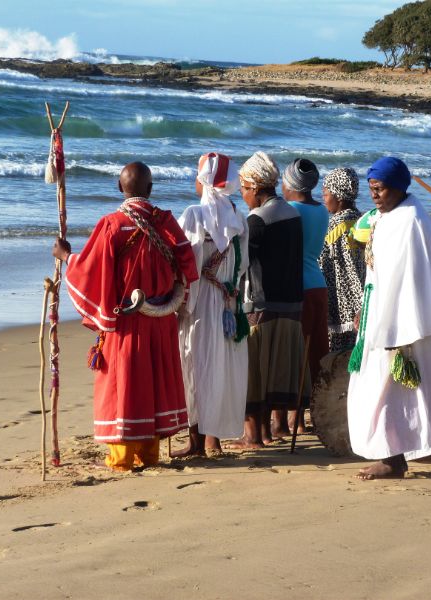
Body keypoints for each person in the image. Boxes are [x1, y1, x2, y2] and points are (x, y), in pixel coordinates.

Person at [53, 161, 199, 471]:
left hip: (127, 321)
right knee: (154, 381)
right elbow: (188, 264)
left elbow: (89, 269)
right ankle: (149, 453)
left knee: (125, 384)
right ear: (150, 189)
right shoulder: (167, 222)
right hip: (161, 318)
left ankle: (122, 458)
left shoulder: (112, 225)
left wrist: (67, 256)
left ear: (120, 188)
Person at [347, 157, 431, 480]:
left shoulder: (410, 221)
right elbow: (379, 273)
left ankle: (392, 458)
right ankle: (392, 454)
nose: (374, 195)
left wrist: (397, 329)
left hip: (402, 323)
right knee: (383, 391)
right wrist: (367, 306)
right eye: (371, 189)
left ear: (399, 188)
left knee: (390, 392)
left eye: (380, 189)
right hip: (381, 314)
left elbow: (410, 279)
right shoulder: (390, 216)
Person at [228, 151, 309, 448]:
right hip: (291, 304)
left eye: (244, 189)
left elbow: (243, 264)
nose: (244, 195)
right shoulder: (291, 212)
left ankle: (254, 436)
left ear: (256, 189)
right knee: (276, 374)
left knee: (256, 375)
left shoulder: (258, 220)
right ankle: (265, 433)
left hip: (262, 305)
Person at [173, 153, 250, 457]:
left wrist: (181, 301)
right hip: (227, 300)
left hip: (200, 301)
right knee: (220, 365)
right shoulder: (238, 216)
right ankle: (212, 439)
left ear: (204, 180)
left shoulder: (193, 215)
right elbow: (242, 266)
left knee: (194, 364)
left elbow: (183, 261)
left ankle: (195, 441)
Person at [282, 157, 329, 435]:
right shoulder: (321, 210)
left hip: (296, 286)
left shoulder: (290, 210)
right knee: (315, 353)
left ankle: (295, 419)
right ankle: (313, 414)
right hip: (317, 284)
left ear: (290, 184)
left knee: (295, 354)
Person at [318, 167, 365, 353]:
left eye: (326, 193)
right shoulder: (362, 221)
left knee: (337, 357)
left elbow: (323, 262)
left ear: (338, 196)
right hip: (362, 303)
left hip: (339, 305)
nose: (324, 198)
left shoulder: (333, 226)